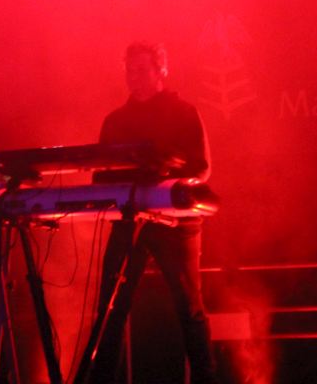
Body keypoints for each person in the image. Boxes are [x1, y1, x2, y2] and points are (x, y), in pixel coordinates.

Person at [78, 42, 216, 384]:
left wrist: (166, 179)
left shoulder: (183, 112)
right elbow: (101, 174)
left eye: (141, 70)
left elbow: (201, 168)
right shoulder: (115, 121)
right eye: (130, 70)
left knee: (189, 306)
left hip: (176, 222)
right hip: (129, 217)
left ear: (161, 71)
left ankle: (205, 378)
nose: (133, 77)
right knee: (110, 306)